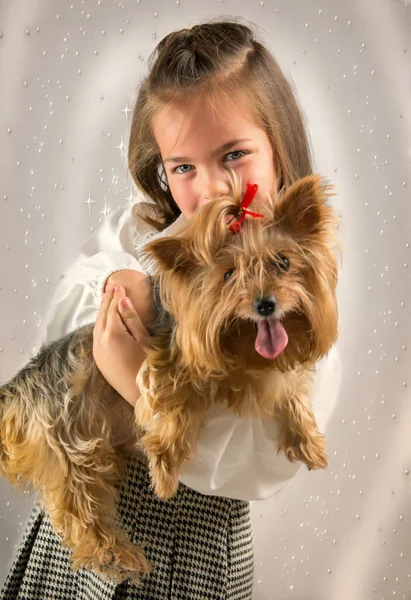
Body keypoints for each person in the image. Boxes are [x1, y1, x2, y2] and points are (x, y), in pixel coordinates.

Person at [0, 16, 341, 600]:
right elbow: (64, 323)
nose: (210, 188)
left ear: (278, 146)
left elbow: (263, 466)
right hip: (73, 547)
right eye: (183, 166)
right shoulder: (142, 233)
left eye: (233, 154)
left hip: (191, 558)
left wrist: (136, 383)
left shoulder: (300, 284)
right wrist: (117, 294)